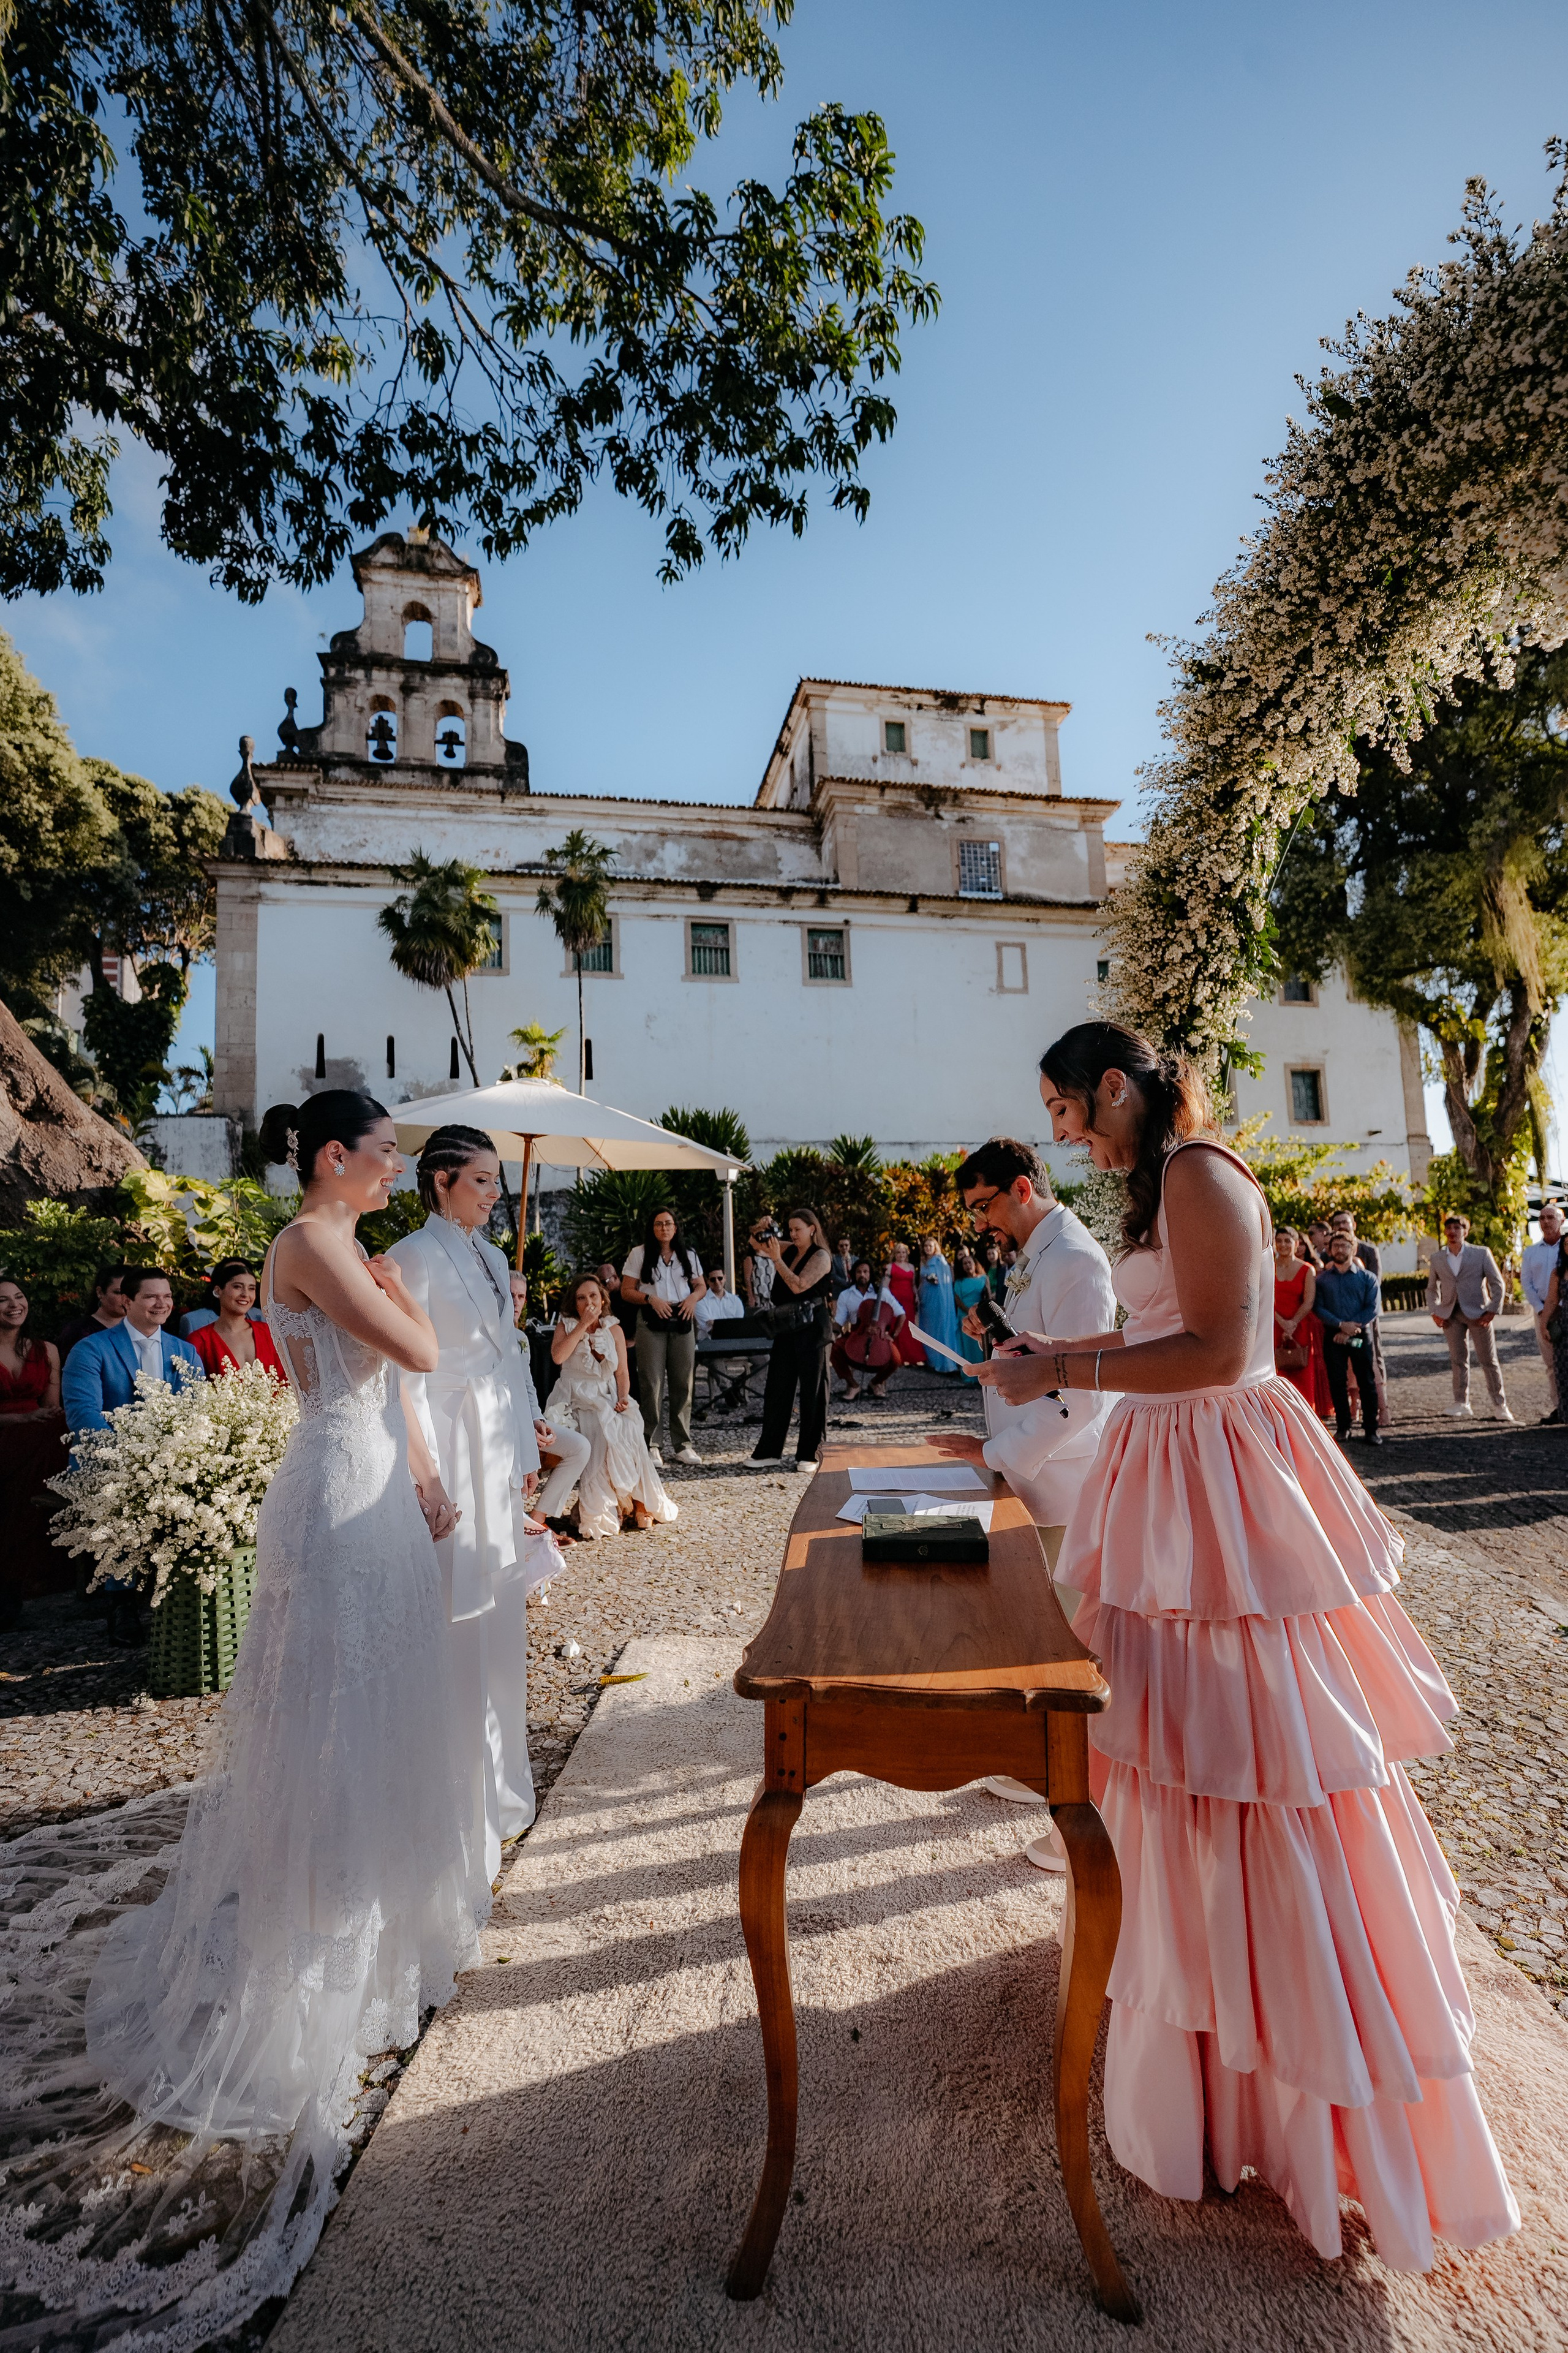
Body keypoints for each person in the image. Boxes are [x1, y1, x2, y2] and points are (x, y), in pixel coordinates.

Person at [976, 1019, 1518, 2273]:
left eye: (1065, 1104)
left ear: (1116, 1085)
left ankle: (1292, 2053)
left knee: (1255, 1761)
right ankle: (1200, 2039)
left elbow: (1222, 1350)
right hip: (1170, 1478)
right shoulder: (1159, 1181)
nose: (1061, 1129)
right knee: (1174, 1761)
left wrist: (1063, 1357)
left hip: (1221, 1484)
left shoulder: (1198, 1173)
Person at [7, 1090, 483, 2347]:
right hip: (329, 1488)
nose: (395, 1171)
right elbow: (419, 1352)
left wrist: (428, 1477)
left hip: (373, 1478)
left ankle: (370, 1922)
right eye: (385, 1155)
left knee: (378, 1705)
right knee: (327, 1716)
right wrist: (414, 1294)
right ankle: (303, 1948)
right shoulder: (316, 1241)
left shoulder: (346, 1244)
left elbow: (399, 1390)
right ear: (337, 1158)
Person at [386, 1127, 565, 1898]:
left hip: (497, 1446)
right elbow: (403, 1375)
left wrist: (528, 1457)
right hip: (449, 1448)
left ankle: (503, 1788)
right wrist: (424, 1479)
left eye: (499, 1182)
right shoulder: (411, 1257)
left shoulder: (495, 1258)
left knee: (501, 1614)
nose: (496, 1195)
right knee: (455, 1615)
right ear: (440, 1180)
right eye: (483, 1181)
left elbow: (510, 1354)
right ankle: (452, 1796)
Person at [932, 1135, 1116, 1873]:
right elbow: (1041, 1362)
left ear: (1020, 1188)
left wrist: (992, 1453)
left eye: (983, 1206)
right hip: (1034, 1478)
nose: (980, 1223)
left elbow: (1085, 1393)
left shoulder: (1076, 1260)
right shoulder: (1037, 1254)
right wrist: (997, 1337)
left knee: (1071, 1647)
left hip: (1067, 1480)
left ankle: (1084, 1815)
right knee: (1033, 1630)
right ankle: (1040, 1765)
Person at [546, 1274, 677, 1538]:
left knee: (630, 1424)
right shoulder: (566, 1324)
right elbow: (558, 1357)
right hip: (575, 1396)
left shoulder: (614, 1329)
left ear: (603, 1298)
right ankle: (599, 1512)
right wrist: (583, 1325)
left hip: (607, 1395)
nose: (588, 1302)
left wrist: (623, 1398)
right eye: (581, 1298)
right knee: (599, 1431)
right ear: (575, 1302)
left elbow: (622, 1373)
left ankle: (639, 1503)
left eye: (593, 1296)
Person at [61, 1267, 203, 1435]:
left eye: (167, 1296)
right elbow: (83, 1414)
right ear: (127, 1301)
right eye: (151, 1297)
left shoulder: (186, 1352)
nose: (162, 1304)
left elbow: (199, 1409)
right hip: (109, 1457)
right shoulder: (90, 1350)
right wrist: (128, 1455)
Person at [0, 1277, 67, 1620]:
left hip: (36, 1444)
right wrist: (22, 1421)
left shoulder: (46, 1350)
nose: (14, 1305)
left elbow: (51, 1410)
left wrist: (36, 1420)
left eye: (19, 1296)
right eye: (3, 1300)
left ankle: (24, 1585)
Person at [507, 1270, 591, 1540]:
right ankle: (516, 1527)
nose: (517, 1301)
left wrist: (538, 1421)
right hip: (501, 1425)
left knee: (580, 1447)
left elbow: (529, 1388)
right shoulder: (484, 1337)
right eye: (510, 1295)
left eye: (521, 1296)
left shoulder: (521, 1339)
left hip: (527, 1421)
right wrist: (522, 1426)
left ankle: (538, 1519)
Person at [620, 1208, 706, 1466]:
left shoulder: (688, 1255)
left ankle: (683, 1444)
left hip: (682, 1319)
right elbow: (626, 1290)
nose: (664, 1229)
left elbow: (700, 1285)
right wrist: (650, 1299)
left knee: (684, 1383)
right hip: (652, 1320)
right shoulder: (639, 1254)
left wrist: (693, 1298)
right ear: (652, 1228)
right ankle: (651, 1444)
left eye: (668, 1224)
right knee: (652, 1383)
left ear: (675, 1227)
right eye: (659, 1224)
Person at [752, 1209, 835, 1465]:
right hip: (787, 1327)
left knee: (813, 1393)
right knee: (777, 1388)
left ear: (812, 1229)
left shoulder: (821, 1256)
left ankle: (811, 1454)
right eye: (790, 1229)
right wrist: (760, 1225)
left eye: (798, 1229)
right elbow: (755, 1243)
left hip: (813, 1329)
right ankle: (769, 1452)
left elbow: (799, 1285)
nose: (792, 1234)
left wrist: (777, 1260)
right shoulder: (788, 1250)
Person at [1427, 1213, 1512, 1421]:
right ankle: (1461, 1403)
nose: (1452, 1232)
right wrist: (1435, 1311)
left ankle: (1500, 1405)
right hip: (1450, 1314)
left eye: (1457, 1228)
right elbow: (1431, 1289)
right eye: (1449, 1228)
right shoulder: (1438, 1258)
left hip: (1478, 1313)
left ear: (1466, 1231)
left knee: (1488, 1360)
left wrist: (1492, 1309)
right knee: (1458, 1360)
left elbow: (1497, 1283)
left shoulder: (1481, 1253)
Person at [1314, 1226, 1384, 1445]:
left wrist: (1351, 1328)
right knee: (1336, 1382)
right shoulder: (1322, 1280)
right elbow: (1318, 1307)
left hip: (1360, 1336)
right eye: (1336, 1246)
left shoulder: (1367, 1278)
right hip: (1333, 1336)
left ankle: (1371, 1430)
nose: (1340, 1249)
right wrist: (1339, 1325)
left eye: (1345, 1245)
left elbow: (1372, 1308)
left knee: (1367, 1381)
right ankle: (1344, 1427)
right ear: (1330, 1249)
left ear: (1353, 1248)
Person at [1330, 1209, 1390, 1426]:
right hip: (1339, 1322)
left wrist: (1356, 1322)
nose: (1342, 1226)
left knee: (1373, 1361)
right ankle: (1353, 1407)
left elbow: (1376, 1284)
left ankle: (1382, 1409)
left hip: (1365, 1320)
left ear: (1353, 1223)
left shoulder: (1369, 1250)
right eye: (1337, 1223)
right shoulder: (1332, 1250)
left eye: (1345, 1222)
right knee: (1345, 1364)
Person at [187, 1258, 288, 1381]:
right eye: (237, 1287)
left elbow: (285, 1381)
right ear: (218, 1291)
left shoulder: (269, 1333)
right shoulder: (199, 1341)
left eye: (252, 1288)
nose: (245, 1294)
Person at [1271, 1223, 1329, 1410]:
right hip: (1273, 1326)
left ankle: (1304, 1414)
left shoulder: (1307, 1269)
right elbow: (1265, 1299)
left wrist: (1292, 1324)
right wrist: (1282, 1323)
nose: (1283, 1245)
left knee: (1302, 1371)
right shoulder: (1268, 1267)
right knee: (1276, 1372)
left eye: (1288, 1241)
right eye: (1279, 1241)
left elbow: (1308, 1301)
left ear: (1297, 1244)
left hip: (1300, 1326)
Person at [831, 1259, 903, 1400]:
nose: (862, 1275)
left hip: (879, 1335)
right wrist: (832, 1334)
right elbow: (839, 1321)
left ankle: (875, 1383)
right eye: (859, 1272)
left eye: (865, 1272)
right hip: (856, 1333)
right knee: (835, 1349)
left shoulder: (883, 1293)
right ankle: (853, 1385)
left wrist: (893, 1335)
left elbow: (901, 1314)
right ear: (854, 1275)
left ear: (870, 1275)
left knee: (896, 1359)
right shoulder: (846, 1295)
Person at [1522, 1200, 1565, 1423]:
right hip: (1542, 1315)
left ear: (1562, 1220)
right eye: (1542, 1218)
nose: (1546, 1222)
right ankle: (1560, 1407)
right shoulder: (1530, 1253)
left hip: (1566, 1311)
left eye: (1551, 1217)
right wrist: (1542, 1311)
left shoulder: (1567, 1248)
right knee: (1551, 1364)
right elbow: (1526, 1284)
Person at [54, 1264, 129, 1363]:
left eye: (132, 1293)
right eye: (118, 1292)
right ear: (100, 1293)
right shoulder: (78, 1331)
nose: (126, 1299)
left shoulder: (141, 1330)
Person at [916, 1234, 960, 1370]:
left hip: (939, 1299)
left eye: (931, 1246)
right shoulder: (923, 1262)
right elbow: (920, 1281)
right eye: (926, 1246)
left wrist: (936, 1281)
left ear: (935, 1247)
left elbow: (946, 1281)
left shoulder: (940, 1260)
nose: (928, 1248)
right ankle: (930, 1360)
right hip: (926, 1299)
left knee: (940, 1328)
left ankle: (944, 1362)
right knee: (928, 1328)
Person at [883, 1240, 924, 1365]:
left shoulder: (911, 1267)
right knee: (897, 1325)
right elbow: (886, 1285)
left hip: (909, 1300)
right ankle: (896, 1355)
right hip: (896, 1300)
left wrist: (916, 1295)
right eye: (899, 1252)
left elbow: (913, 1284)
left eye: (904, 1252)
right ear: (895, 1254)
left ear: (907, 1254)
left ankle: (911, 1356)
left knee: (909, 1326)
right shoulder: (890, 1267)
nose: (901, 1255)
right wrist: (889, 1300)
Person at [951, 1245, 989, 1379]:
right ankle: (969, 1376)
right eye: (965, 1264)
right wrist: (969, 1311)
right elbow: (957, 1299)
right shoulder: (959, 1282)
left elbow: (988, 1297)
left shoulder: (984, 1279)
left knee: (981, 1346)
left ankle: (983, 1375)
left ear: (975, 1264)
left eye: (969, 1263)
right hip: (965, 1315)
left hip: (980, 1316)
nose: (967, 1265)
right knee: (967, 1346)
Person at [693, 1263, 745, 1338]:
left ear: (725, 1278)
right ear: (708, 1281)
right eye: (713, 1279)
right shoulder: (700, 1302)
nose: (717, 1282)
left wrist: (716, 1323)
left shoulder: (736, 1301)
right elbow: (711, 1330)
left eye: (720, 1278)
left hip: (733, 1343)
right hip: (709, 1346)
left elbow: (738, 1327)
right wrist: (730, 1324)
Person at [742, 1218, 777, 1314]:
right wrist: (751, 1296)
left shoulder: (771, 1255)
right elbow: (748, 1279)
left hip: (771, 1293)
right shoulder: (751, 1258)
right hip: (759, 1294)